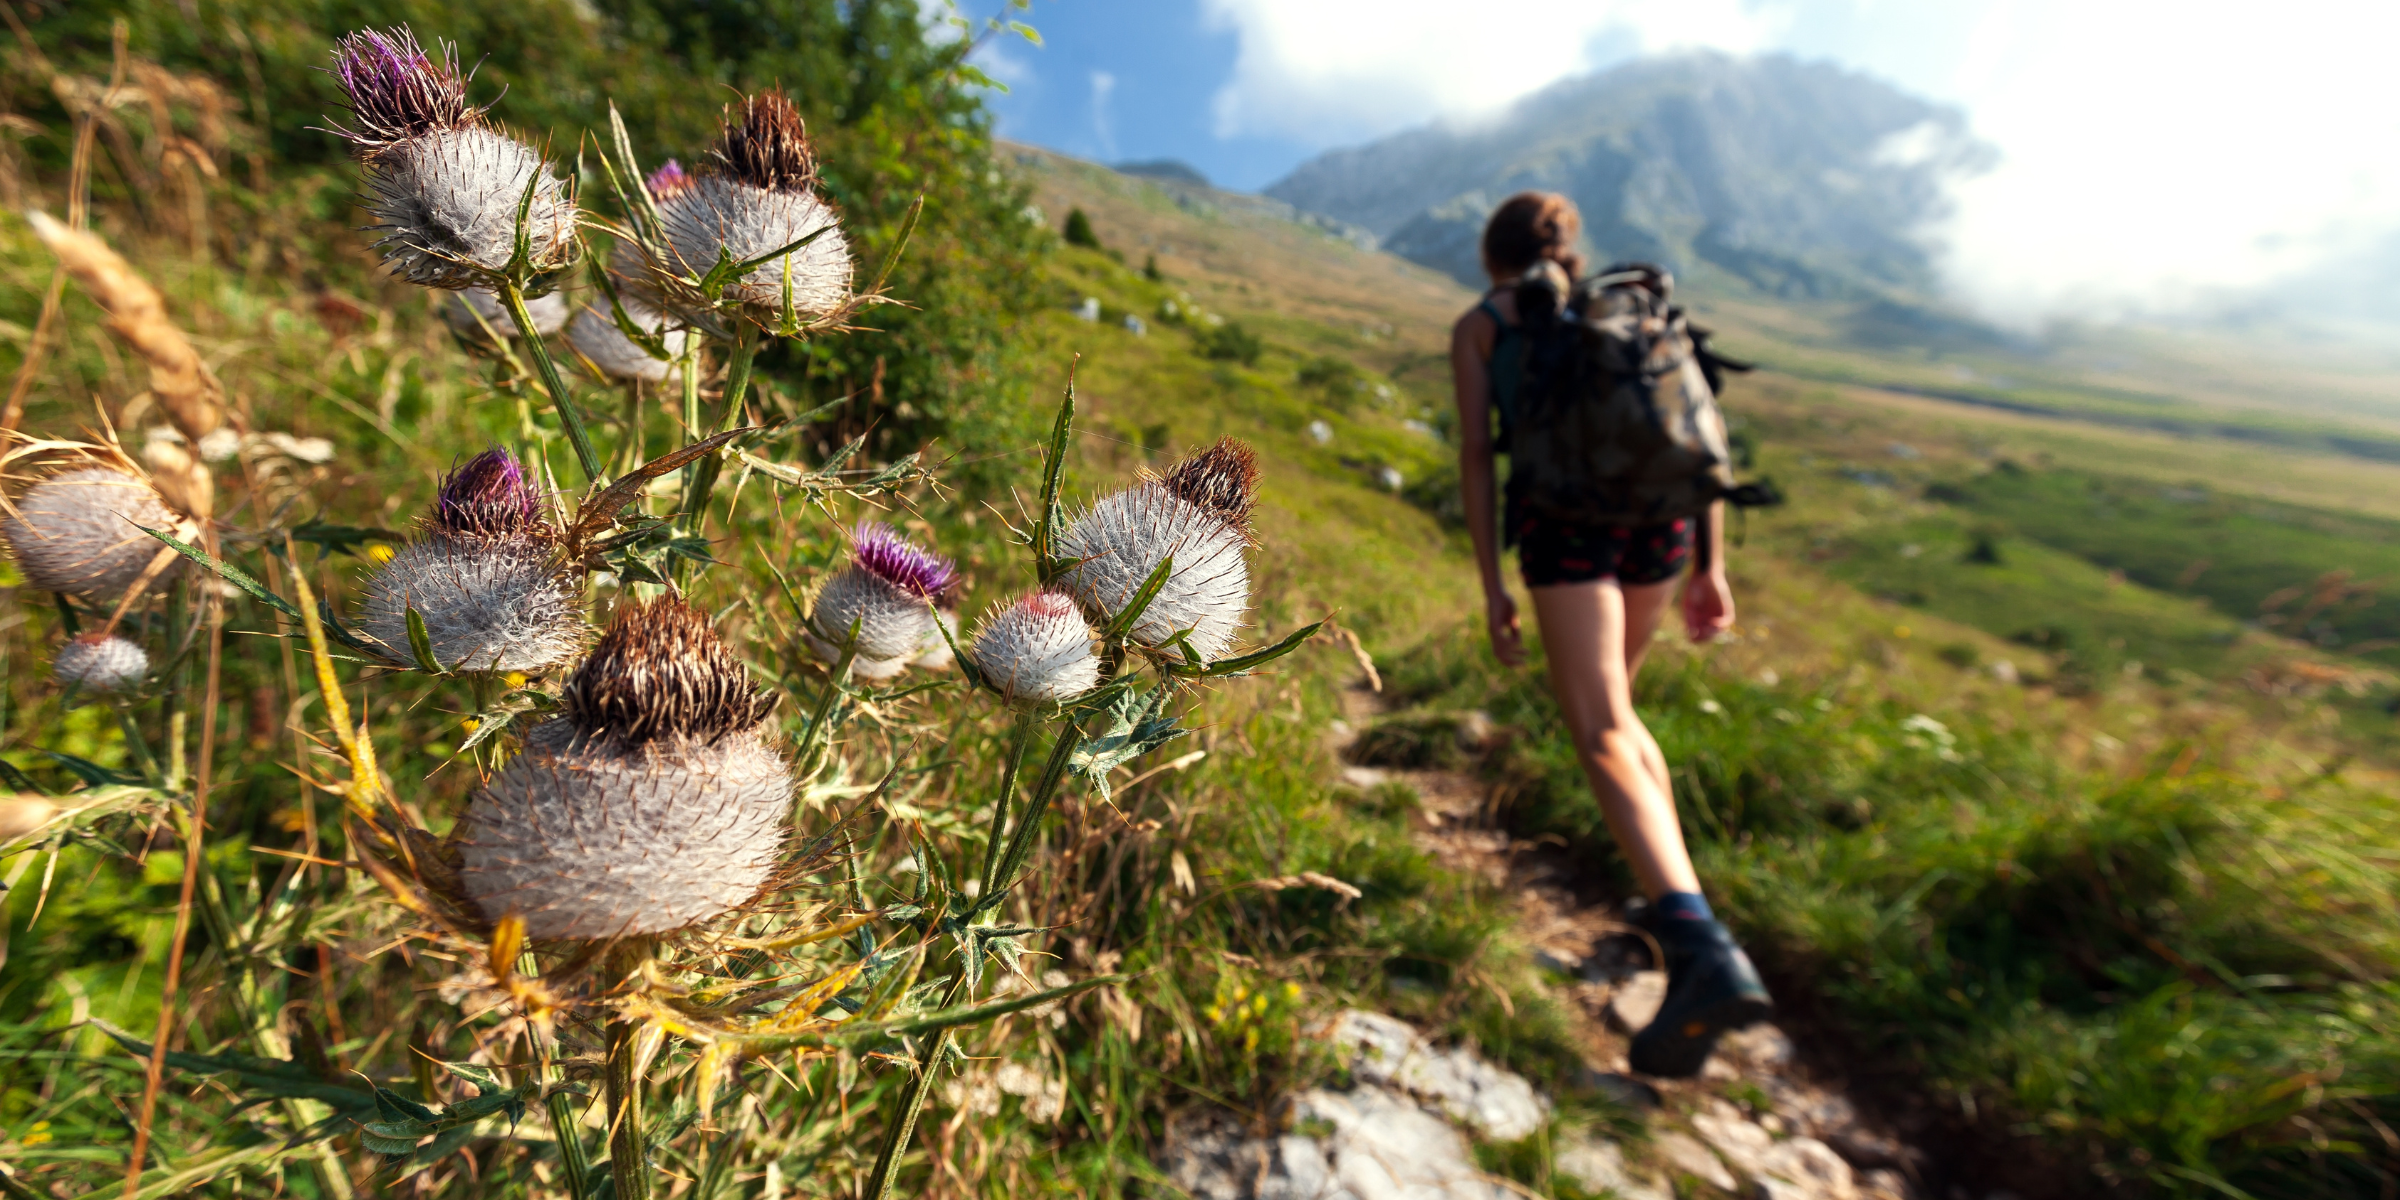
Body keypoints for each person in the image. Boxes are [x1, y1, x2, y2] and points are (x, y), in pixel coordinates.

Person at [1449, 192, 1772, 1078]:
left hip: (1569, 531)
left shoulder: (1486, 324)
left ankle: (1700, 946)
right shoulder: (1628, 310)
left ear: (1492, 256)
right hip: (1662, 528)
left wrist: (1492, 584)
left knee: (1598, 732)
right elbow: (1696, 428)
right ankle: (1673, 908)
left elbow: (1480, 455)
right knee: (1621, 717)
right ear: (1568, 248)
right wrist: (1711, 563)